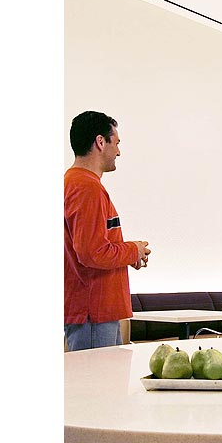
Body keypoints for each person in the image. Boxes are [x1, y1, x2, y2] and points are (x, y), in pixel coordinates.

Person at [64, 111, 151, 351]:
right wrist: (134, 250)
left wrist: (129, 252)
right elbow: (91, 253)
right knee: (94, 388)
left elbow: (90, 247)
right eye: (117, 143)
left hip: (94, 313)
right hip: (94, 314)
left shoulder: (77, 183)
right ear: (100, 142)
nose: (119, 152)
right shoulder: (86, 187)